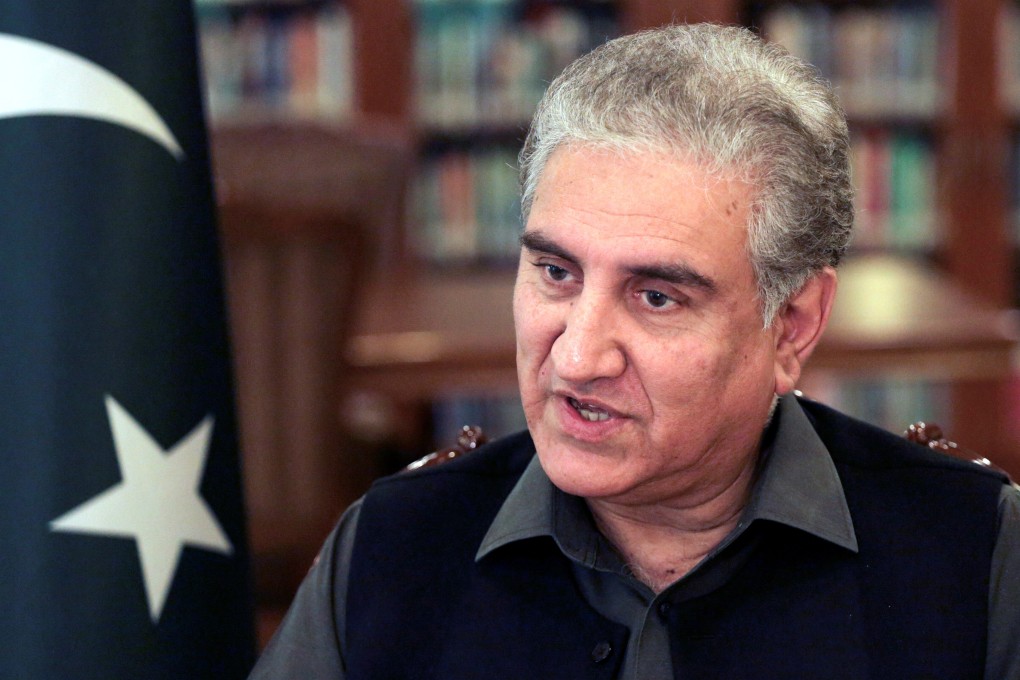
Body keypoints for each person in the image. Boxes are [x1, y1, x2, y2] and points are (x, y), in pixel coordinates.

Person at [249, 23, 1020, 679]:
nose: (579, 357)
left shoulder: (976, 556)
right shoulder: (392, 547)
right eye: (556, 273)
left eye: (657, 297)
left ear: (792, 327)